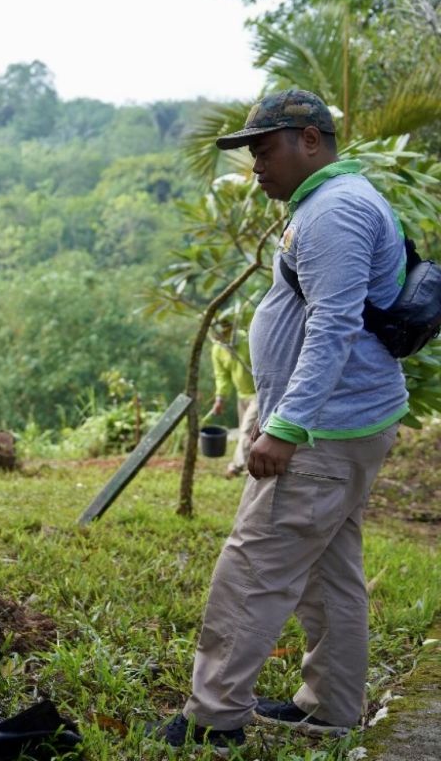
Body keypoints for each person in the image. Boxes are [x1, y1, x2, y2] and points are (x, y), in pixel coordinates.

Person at [151, 89, 406, 752]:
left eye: (264, 149)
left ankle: (213, 717)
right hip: (346, 423)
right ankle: (330, 705)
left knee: (254, 567)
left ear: (309, 141)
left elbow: (333, 327)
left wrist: (286, 427)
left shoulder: (336, 212)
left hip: (323, 431)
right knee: (330, 570)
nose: (255, 165)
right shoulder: (328, 204)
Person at [209, 313, 258, 477]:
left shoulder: (246, 340)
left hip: (259, 394)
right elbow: (222, 376)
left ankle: (237, 467)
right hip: (242, 395)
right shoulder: (218, 349)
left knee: (245, 431)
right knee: (251, 433)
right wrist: (220, 399)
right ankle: (252, 466)